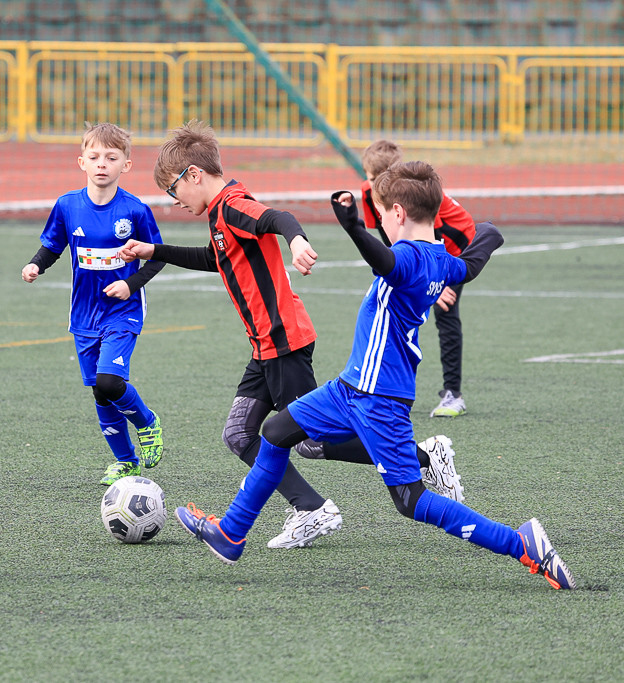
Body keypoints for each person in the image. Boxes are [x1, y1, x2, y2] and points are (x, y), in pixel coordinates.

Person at [174, 161, 576, 590]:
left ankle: (521, 544)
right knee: (275, 433)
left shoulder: (408, 258)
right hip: (350, 388)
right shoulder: (442, 260)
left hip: (379, 397)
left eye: (381, 213)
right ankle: (232, 533)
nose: (379, 221)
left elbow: (384, 260)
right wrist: (489, 235)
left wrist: (352, 228)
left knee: (411, 501)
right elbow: (471, 265)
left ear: (398, 213)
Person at [120, 120, 462, 551]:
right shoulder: (220, 215)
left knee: (311, 443)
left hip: (285, 340)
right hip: (265, 345)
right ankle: (310, 505)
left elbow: (278, 218)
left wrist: (296, 241)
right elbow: (215, 257)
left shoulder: (234, 206)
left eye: (173, 189)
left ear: (194, 175)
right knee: (239, 434)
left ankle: (421, 459)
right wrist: (156, 251)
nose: (174, 200)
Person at [21, 122, 165, 486]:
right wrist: (36, 264)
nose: (102, 164)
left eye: (111, 158)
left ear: (125, 165)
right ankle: (126, 461)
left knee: (110, 381)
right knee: (100, 391)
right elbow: (53, 245)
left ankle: (147, 422)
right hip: (84, 314)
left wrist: (130, 285)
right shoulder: (67, 205)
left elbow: (157, 256)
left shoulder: (135, 210)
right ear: (81, 161)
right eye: (95, 156)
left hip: (123, 312)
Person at [361, 140, 475, 418]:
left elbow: (432, 241)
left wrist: (439, 283)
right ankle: (387, 389)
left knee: (445, 312)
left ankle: (453, 394)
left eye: (382, 178)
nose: (376, 185)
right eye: (372, 179)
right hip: (420, 253)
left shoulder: (415, 197)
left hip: (454, 245)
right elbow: (387, 236)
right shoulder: (368, 193)